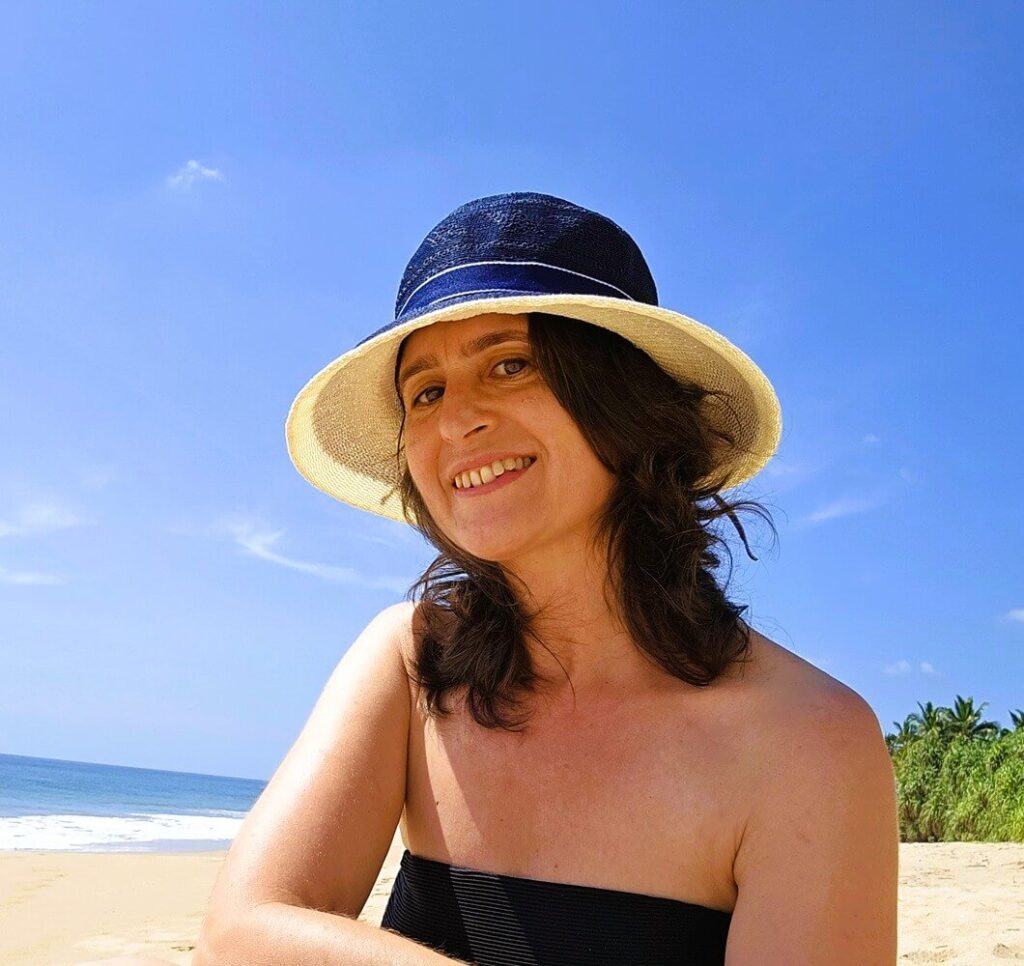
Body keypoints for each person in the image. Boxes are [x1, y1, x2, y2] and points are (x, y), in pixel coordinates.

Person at [103, 192, 898, 965]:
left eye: (510, 364)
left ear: (627, 400)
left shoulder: (809, 744)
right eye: (426, 391)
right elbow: (237, 938)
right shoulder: (413, 660)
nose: (455, 420)